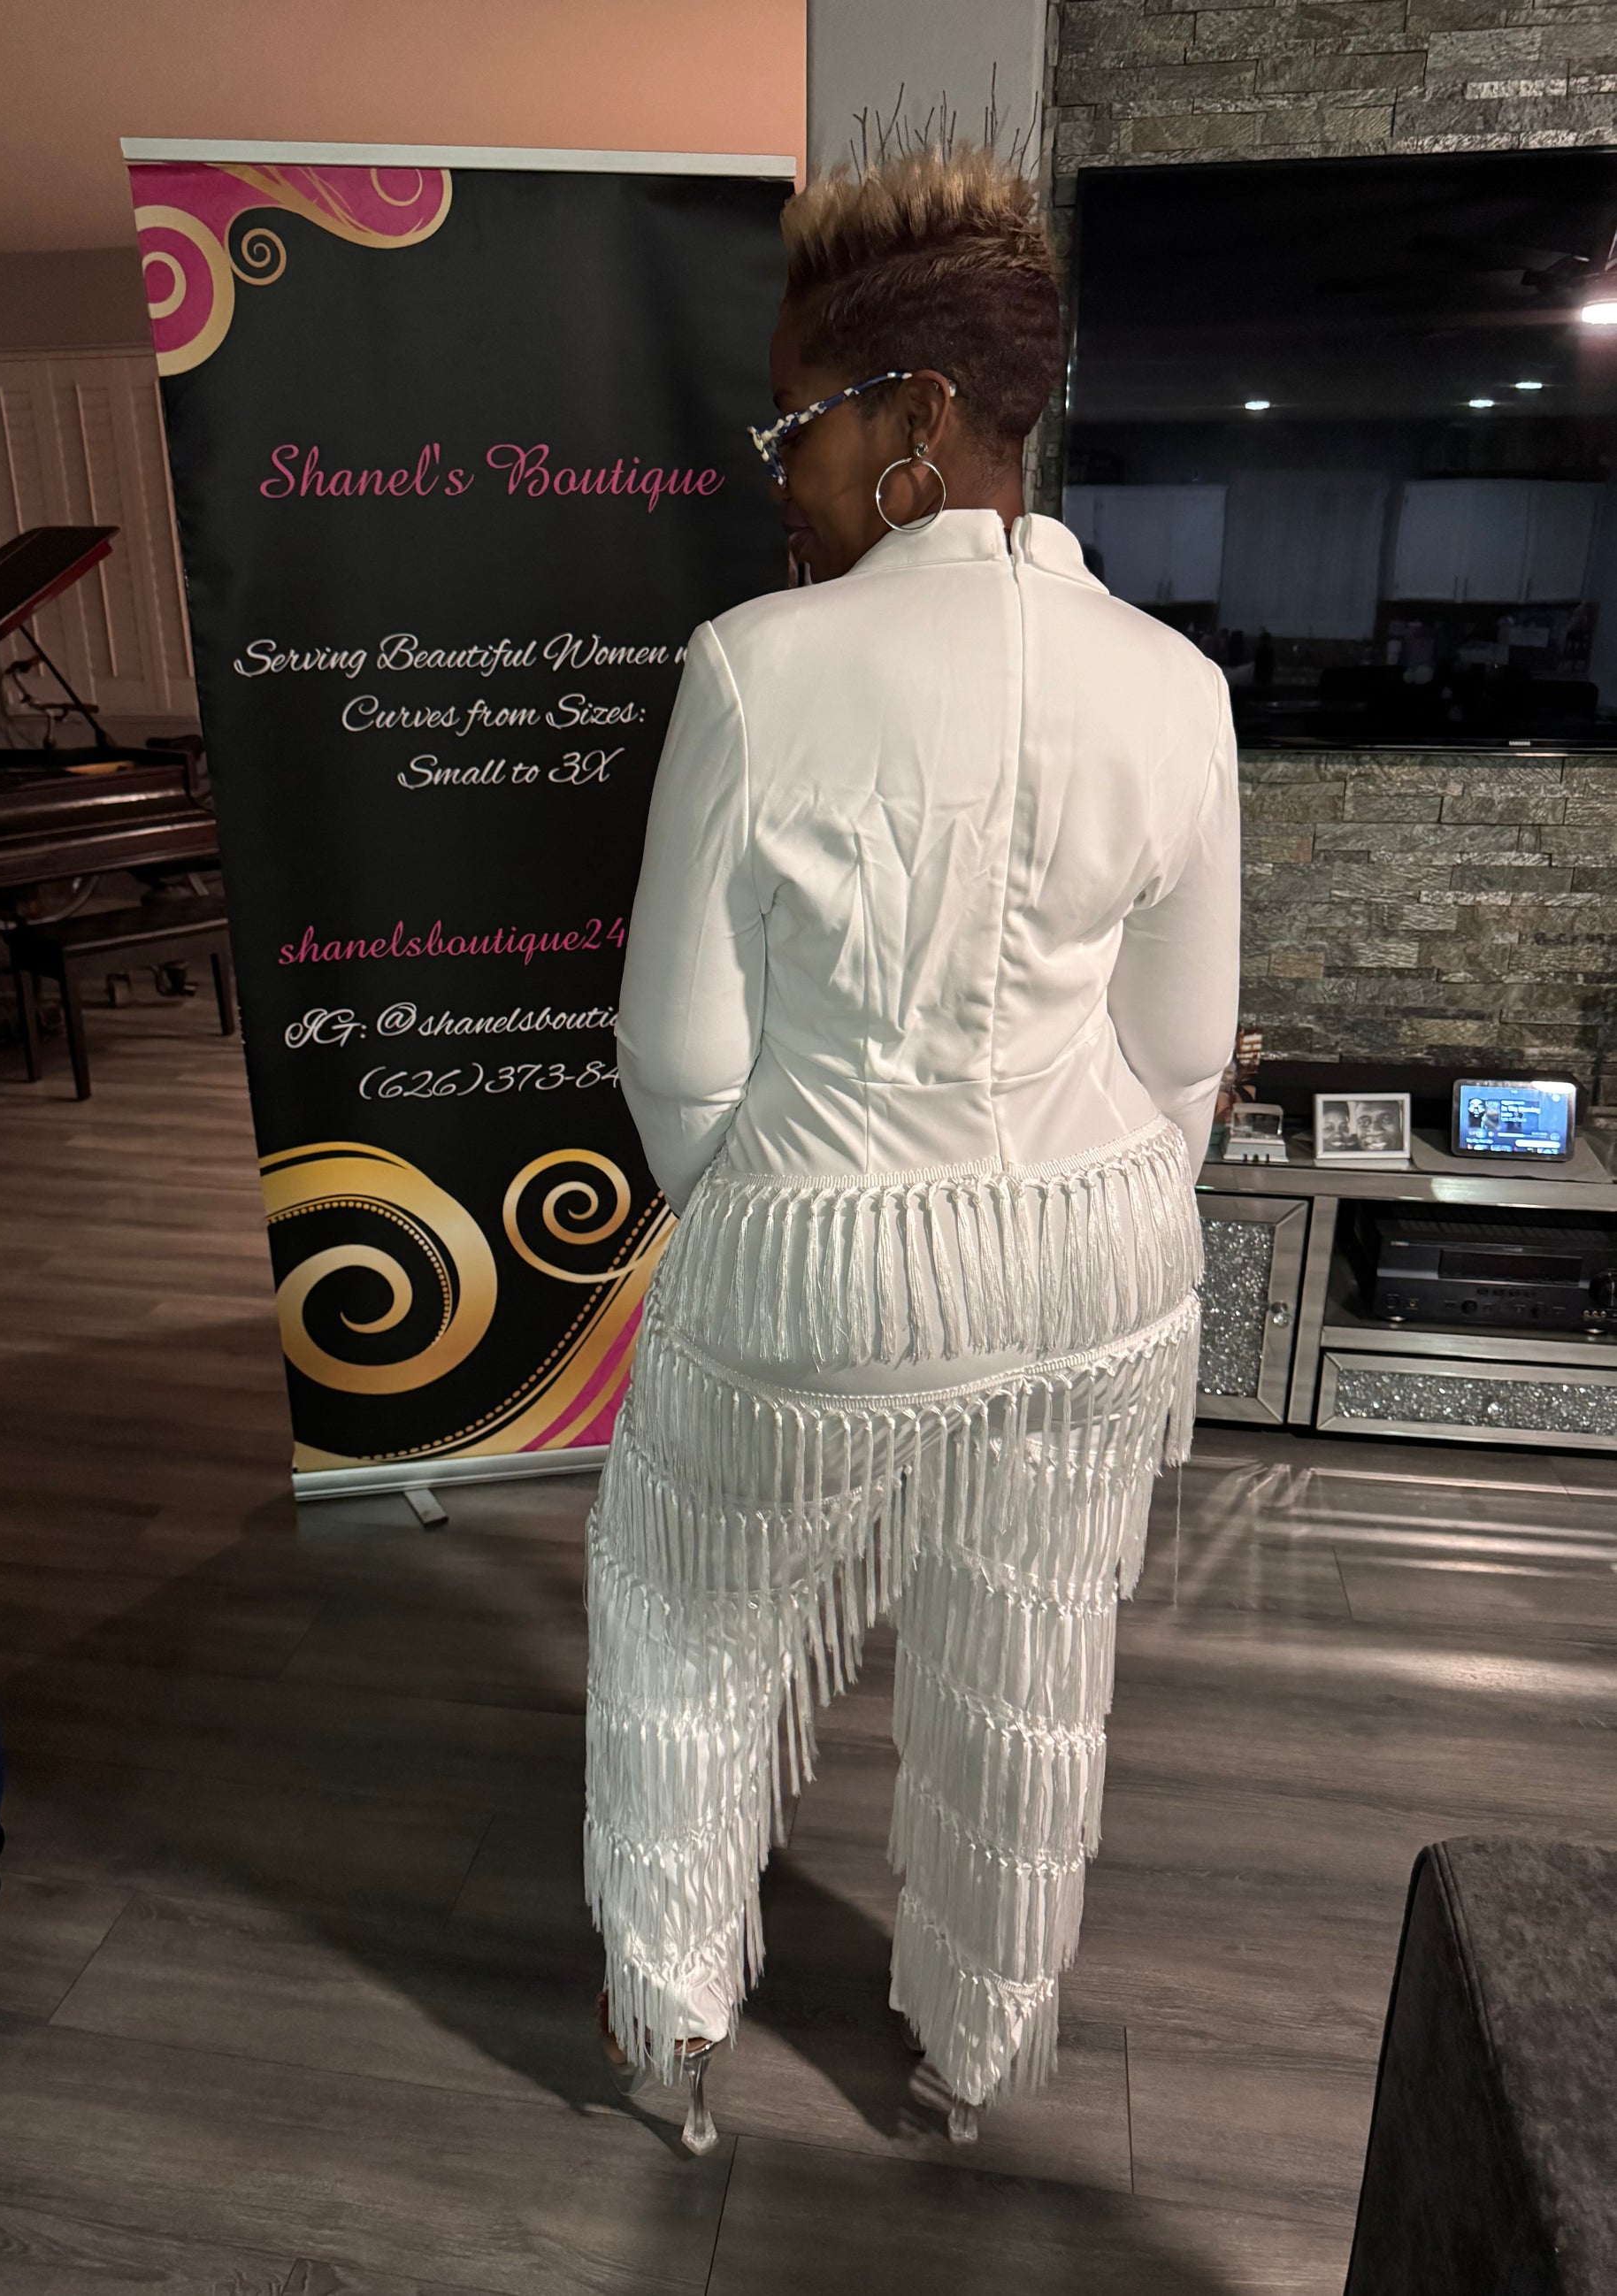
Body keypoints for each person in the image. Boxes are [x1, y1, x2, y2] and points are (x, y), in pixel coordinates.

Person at [585, 143, 1242, 2152]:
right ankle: (970, 2047)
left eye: (798, 421)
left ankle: (674, 2031)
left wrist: (788, 1234)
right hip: (1101, 1268)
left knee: (690, 1619)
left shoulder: (753, 669)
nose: (777, 471)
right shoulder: (1180, 687)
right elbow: (1183, 1059)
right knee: (1023, 1653)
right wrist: (1064, 1227)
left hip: (815, 1257)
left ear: (920, 421)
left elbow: (678, 1056)